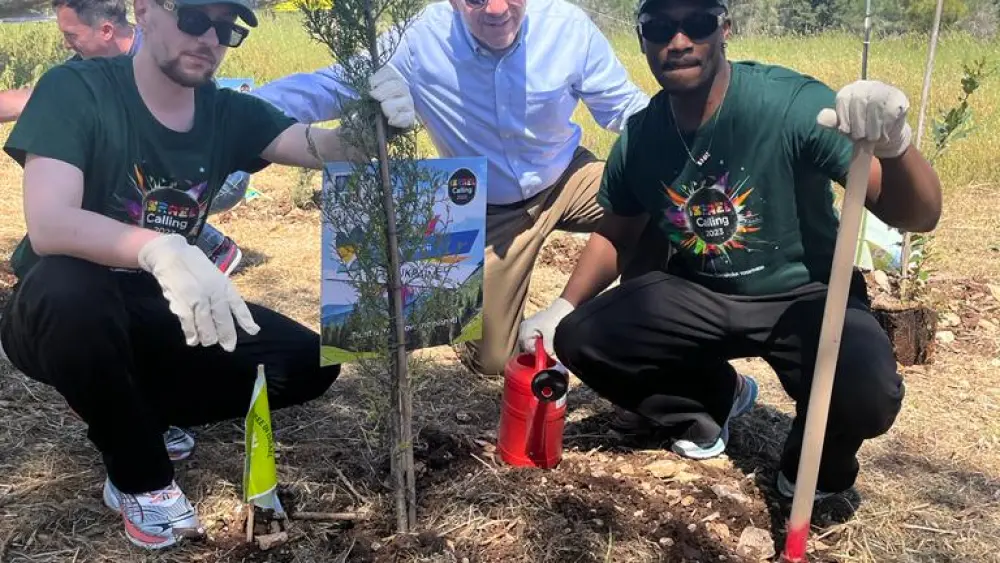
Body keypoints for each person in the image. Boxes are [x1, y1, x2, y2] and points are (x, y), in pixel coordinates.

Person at [519, 0, 942, 501]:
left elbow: (918, 216)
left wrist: (896, 147)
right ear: (641, 40)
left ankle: (817, 467)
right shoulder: (642, 135)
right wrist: (565, 307)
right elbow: (619, 231)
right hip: (700, 294)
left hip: (808, 296)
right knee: (584, 337)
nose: (678, 41)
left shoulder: (790, 105)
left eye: (696, 23)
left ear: (725, 29)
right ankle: (710, 403)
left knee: (867, 389)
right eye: (658, 27)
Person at [0, 0, 368, 549]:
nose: (210, 38)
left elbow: (316, 146)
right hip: (61, 310)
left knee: (306, 363)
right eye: (195, 18)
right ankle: (138, 475)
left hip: (161, 310)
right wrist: (157, 248)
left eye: (228, 28)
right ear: (144, 11)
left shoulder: (226, 112)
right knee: (70, 291)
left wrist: (377, 124)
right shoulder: (75, 89)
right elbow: (51, 224)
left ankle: (127, 405)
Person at [248, 0, 653, 376]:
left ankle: (629, 329)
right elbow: (331, 85)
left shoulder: (567, 28)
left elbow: (627, 110)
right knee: (494, 361)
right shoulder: (421, 39)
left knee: (660, 201)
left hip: (567, 176)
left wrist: (686, 144)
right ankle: (480, 303)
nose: (495, 10)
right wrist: (235, 110)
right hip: (490, 207)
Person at [0, 0, 247, 276]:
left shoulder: (161, 52)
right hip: (154, 174)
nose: (67, 45)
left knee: (114, 178)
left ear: (106, 31)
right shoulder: (85, 69)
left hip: (222, 176)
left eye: (71, 35)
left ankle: (211, 248)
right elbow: (40, 99)